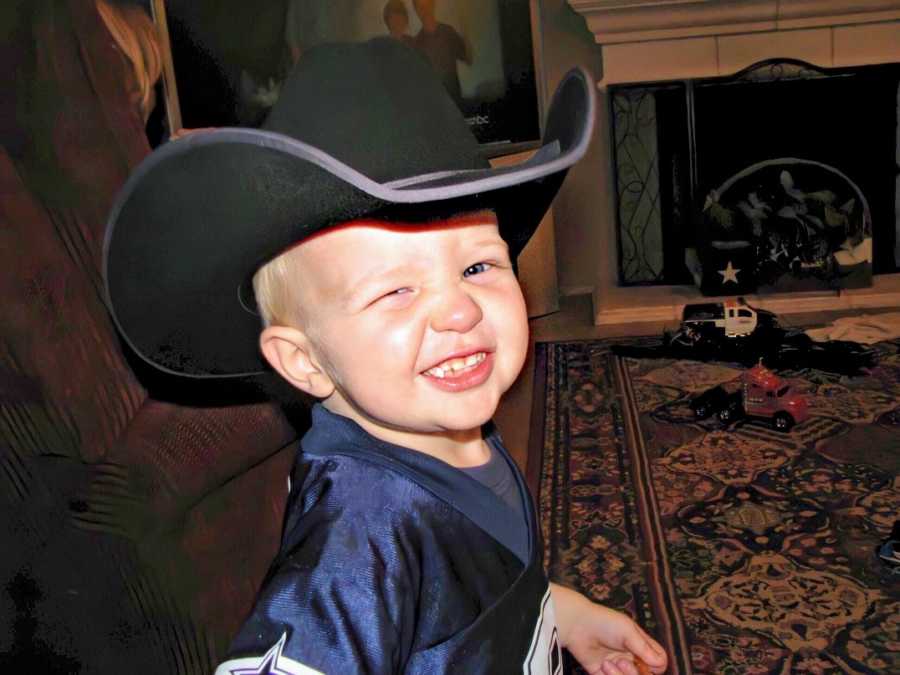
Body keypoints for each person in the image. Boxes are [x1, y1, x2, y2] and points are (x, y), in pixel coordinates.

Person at [104, 38, 668, 675]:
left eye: (479, 265)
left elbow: (473, 582)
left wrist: (555, 612)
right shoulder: (360, 536)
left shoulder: (448, 430)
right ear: (304, 361)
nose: (461, 311)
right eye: (396, 290)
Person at [411, 0, 470, 105]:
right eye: (420, 7)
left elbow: (468, 59)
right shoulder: (416, 44)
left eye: (426, 5)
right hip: (433, 106)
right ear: (415, 10)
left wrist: (466, 41)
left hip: (455, 103)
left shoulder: (448, 32)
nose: (424, 10)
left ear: (433, 4)